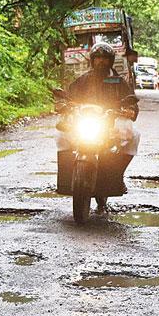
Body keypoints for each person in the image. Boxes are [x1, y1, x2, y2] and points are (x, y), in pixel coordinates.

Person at [56, 42, 140, 214]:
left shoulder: (118, 81)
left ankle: (117, 175)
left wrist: (129, 110)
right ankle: (65, 178)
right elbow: (69, 97)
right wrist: (64, 104)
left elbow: (131, 99)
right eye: (98, 58)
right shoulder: (83, 80)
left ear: (110, 61)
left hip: (109, 123)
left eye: (105, 59)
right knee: (60, 134)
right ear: (92, 61)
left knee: (134, 135)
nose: (101, 62)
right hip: (85, 121)